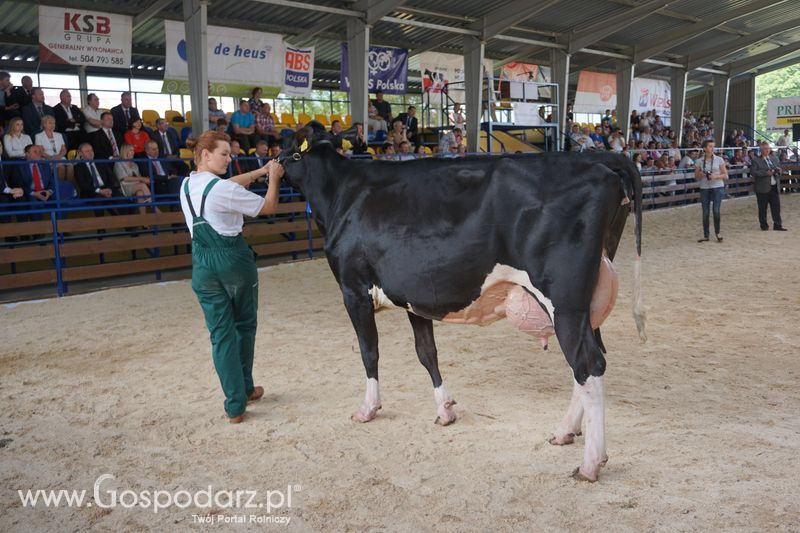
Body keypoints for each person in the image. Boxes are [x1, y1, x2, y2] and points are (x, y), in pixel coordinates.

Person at [180, 131, 283, 424]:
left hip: (201, 264)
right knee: (245, 325)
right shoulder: (223, 190)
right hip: (233, 261)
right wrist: (272, 177)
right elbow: (269, 207)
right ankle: (246, 387)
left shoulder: (187, 185)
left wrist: (258, 171)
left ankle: (235, 405)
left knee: (220, 335)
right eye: (224, 154)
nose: (229, 158)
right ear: (205, 155)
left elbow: (221, 187)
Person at [694, 139, 728, 243]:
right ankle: (706, 235)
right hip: (704, 187)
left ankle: (718, 232)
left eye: (713, 146)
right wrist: (702, 174)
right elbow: (696, 176)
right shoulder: (699, 161)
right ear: (705, 148)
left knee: (716, 210)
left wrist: (715, 176)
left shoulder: (719, 159)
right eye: (710, 146)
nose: (712, 148)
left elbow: (726, 175)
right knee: (705, 212)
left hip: (717, 187)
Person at [749, 141, 786, 232]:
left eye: (768, 148)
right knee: (762, 208)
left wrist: (779, 171)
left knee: (776, 207)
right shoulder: (755, 160)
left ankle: (777, 224)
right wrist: (766, 173)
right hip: (762, 188)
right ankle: (764, 225)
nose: (767, 150)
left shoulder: (774, 158)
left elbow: (779, 169)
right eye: (765, 149)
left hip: (774, 186)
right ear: (761, 150)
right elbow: (753, 172)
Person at [114, 143, 152, 215]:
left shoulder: (134, 164)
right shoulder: (119, 163)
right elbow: (124, 178)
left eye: (133, 150)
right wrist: (142, 179)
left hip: (136, 186)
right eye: (131, 150)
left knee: (140, 193)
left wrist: (145, 179)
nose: (133, 152)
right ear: (125, 151)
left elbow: (139, 177)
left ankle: (144, 222)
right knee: (142, 185)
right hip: (125, 187)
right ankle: (153, 205)